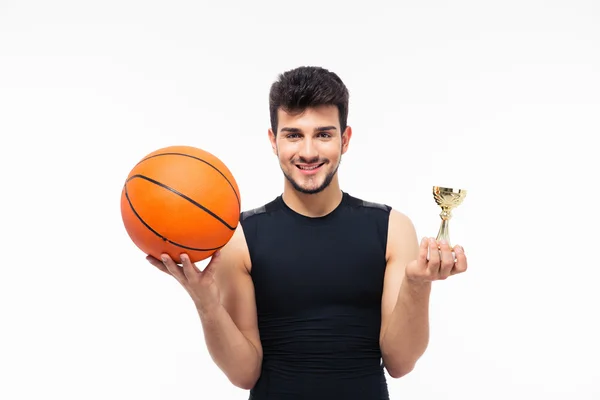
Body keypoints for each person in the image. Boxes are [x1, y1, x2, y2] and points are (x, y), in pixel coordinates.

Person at [147, 66, 468, 399]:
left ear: (345, 139)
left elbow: (400, 362)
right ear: (274, 140)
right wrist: (206, 304)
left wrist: (418, 285)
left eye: (324, 134)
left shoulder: (391, 228)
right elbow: (244, 373)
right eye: (294, 134)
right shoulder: (240, 237)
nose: (309, 151)